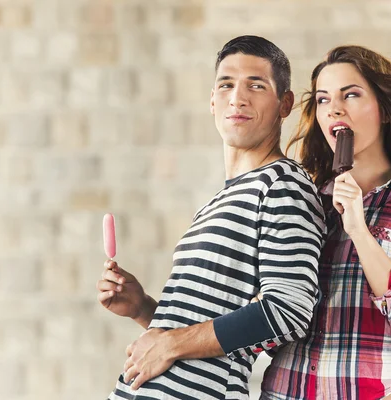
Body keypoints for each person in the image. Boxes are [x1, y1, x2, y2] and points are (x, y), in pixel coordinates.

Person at [97, 35, 326, 400]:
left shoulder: (283, 185)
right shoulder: (221, 200)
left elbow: (289, 310)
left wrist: (171, 343)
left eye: (256, 85)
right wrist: (143, 308)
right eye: (226, 84)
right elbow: (209, 324)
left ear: (285, 104)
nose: (238, 97)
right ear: (212, 100)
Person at [260, 45, 391, 400]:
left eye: (350, 95)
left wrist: (358, 228)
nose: (334, 108)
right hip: (286, 391)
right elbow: (267, 323)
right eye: (323, 99)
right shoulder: (304, 202)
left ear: (383, 110)